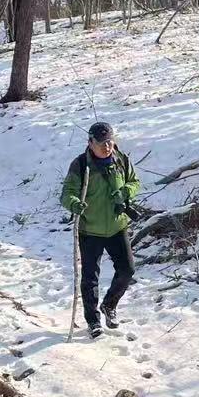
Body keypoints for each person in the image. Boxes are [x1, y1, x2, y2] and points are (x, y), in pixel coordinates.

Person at [59, 121, 140, 339]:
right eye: (102, 143)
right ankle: (93, 321)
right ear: (90, 142)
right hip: (90, 229)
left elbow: (135, 182)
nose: (107, 147)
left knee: (127, 270)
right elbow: (67, 193)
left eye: (110, 142)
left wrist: (125, 192)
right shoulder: (81, 165)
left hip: (117, 226)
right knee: (90, 278)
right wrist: (75, 203)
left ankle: (109, 305)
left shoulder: (121, 159)